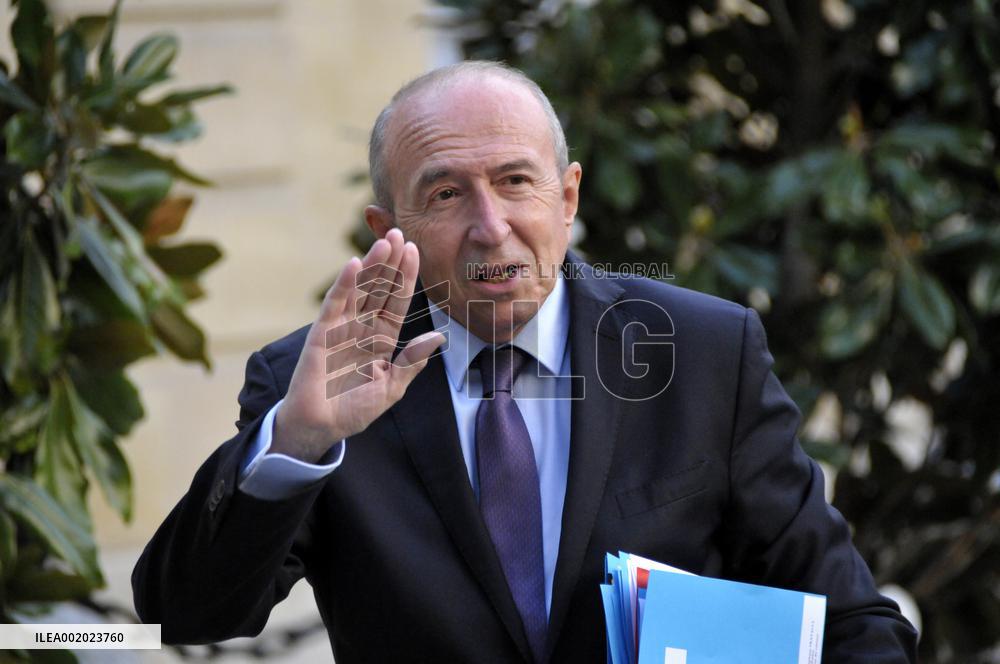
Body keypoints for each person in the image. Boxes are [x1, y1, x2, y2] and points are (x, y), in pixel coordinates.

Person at [132, 61, 918, 663]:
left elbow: (851, 623)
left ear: (568, 198)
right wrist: (296, 443)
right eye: (444, 195)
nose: (490, 225)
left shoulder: (707, 352)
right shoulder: (315, 381)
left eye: (516, 181)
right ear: (385, 227)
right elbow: (189, 613)